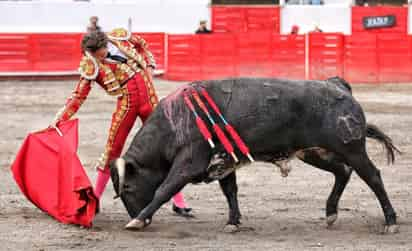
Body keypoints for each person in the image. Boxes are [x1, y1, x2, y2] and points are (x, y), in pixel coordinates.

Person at [51, 28, 193, 217]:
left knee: (165, 148)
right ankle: (96, 200)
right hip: (127, 104)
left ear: (104, 45)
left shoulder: (120, 37)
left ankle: (179, 202)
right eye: (94, 56)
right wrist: (60, 118)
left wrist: (149, 65)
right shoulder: (90, 63)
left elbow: (143, 45)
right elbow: (79, 96)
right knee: (113, 149)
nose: (98, 58)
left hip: (150, 99)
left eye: (99, 54)